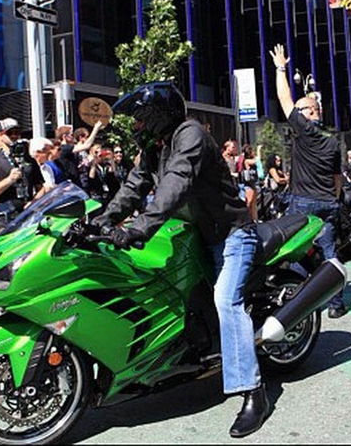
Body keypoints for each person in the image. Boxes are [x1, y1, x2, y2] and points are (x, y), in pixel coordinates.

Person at [92, 81, 270, 438]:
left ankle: (253, 392)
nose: (137, 126)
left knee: (226, 301)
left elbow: (176, 182)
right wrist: (102, 219)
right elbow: (133, 185)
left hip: (230, 235)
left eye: (141, 119)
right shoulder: (155, 146)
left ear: (159, 115)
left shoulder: (190, 136)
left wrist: (139, 228)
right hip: (194, 238)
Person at [270, 43, 348, 318]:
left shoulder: (305, 130)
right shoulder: (332, 142)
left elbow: (283, 98)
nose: (297, 113)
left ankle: (296, 300)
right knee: (329, 255)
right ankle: (336, 305)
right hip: (327, 203)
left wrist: (281, 67)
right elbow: (337, 179)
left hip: (302, 204)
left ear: (310, 113)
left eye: (302, 110)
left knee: (293, 253)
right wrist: (332, 198)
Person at [0, 119, 46, 242]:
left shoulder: (29, 160)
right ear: (1, 135)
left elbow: (41, 187)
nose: (14, 136)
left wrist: (33, 203)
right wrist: (9, 180)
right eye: (10, 133)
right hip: (5, 214)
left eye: (17, 132)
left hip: (28, 212)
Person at [54, 121, 102, 187]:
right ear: (64, 136)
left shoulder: (68, 149)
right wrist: (95, 129)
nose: (73, 137)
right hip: (69, 184)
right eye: (71, 135)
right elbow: (86, 145)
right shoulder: (65, 148)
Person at [239, 144, 260, 222]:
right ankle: (245, 219)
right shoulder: (247, 161)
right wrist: (258, 151)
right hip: (248, 185)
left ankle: (255, 219)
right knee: (249, 203)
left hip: (253, 183)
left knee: (254, 203)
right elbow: (256, 161)